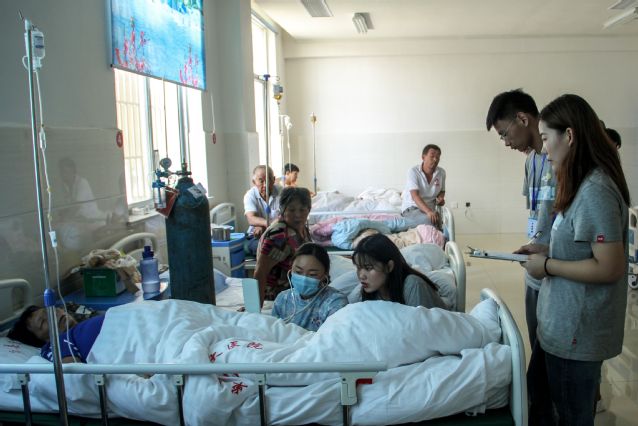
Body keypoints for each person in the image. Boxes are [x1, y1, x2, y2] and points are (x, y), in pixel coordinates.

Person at [519, 94, 630, 426]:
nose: (543, 149)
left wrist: (548, 266)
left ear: (569, 136)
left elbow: (609, 266)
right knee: (543, 403)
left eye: (545, 139)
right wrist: (545, 251)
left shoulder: (595, 190)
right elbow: (580, 248)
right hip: (561, 327)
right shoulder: (579, 184)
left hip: (576, 333)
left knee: (569, 416)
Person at [485, 89, 556, 349]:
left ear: (523, 119)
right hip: (535, 265)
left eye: (504, 133)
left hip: (557, 266)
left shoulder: (560, 159)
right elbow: (536, 212)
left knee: (555, 347)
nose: (505, 142)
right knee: (536, 341)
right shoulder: (531, 161)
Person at [351, 233, 446, 309]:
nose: (361, 276)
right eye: (358, 268)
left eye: (368, 268)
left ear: (389, 267)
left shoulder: (413, 285)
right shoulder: (367, 292)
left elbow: (421, 325)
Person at [254, 187, 313, 305]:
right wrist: (256, 306)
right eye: (291, 210)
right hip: (278, 296)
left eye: (302, 209)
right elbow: (260, 271)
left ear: (309, 210)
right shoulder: (279, 235)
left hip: (298, 289)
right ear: (282, 210)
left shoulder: (301, 228)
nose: (297, 215)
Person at [272, 242, 348, 331]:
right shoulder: (283, 299)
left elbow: (334, 336)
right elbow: (272, 331)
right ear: (291, 269)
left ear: (325, 275)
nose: (304, 279)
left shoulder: (335, 302)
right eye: (298, 272)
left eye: (312, 274)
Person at [8, 305, 105, 363]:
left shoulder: (85, 324)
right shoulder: (57, 343)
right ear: (43, 340)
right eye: (42, 322)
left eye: (50, 310)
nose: (54, 314)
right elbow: (74, 376)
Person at [401, 144, 446, 227]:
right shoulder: (413, 171)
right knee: (430, 221)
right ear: (423, 157)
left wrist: (440, 198)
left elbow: (442, 191)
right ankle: (399, 223)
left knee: (438, 221)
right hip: (412, 208)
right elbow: (415, 196)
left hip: (430, 210)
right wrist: (428, 211)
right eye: (432, 156)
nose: (435, 159)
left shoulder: (441, 173)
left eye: (438, 157)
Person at [243, 165, 282, 256]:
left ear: (274, 179)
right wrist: (267, 224)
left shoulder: (282, 192)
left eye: (269, 180)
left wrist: (264, 226)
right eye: (261, 181)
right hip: (256, 236)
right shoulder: (250, 195)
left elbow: (286, 216)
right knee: (264, 248)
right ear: (254, 182)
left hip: (278, 234)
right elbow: (251, 218)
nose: (265, 185)